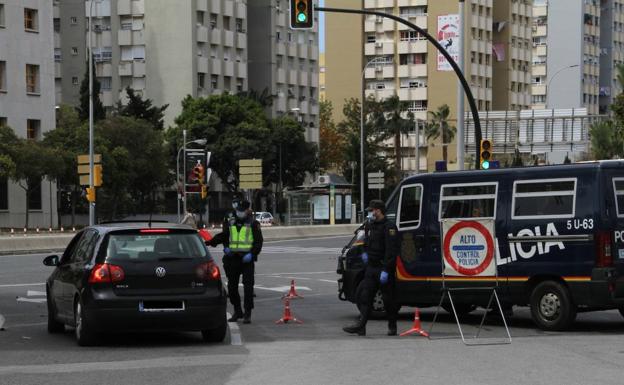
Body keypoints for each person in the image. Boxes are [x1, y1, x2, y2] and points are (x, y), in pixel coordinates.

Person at [343, 199, 400, 336]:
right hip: (371, 267)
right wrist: (364, 254)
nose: (370, 213)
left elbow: (391, 251)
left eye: (371, 210)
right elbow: (365, 243)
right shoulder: (370, 225)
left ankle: (392, 326)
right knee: (365, 297)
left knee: (388, 300)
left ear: (378, 211)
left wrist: (386, 270)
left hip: (383, 268)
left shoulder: (389, 227)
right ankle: (361, 326)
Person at [208, 200, 263, 324]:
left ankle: (247, 313)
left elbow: (258, 242)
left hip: (247, 260)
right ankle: (238, 311)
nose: (239, 212)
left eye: (242, 210)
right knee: (232, 288)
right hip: (233, 258)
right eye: (238, 210)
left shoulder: (253, 224)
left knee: (248, 288)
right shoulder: (231, 221)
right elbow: (225, 236)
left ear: (247, 210)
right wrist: (222, 246)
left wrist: (252, 254)